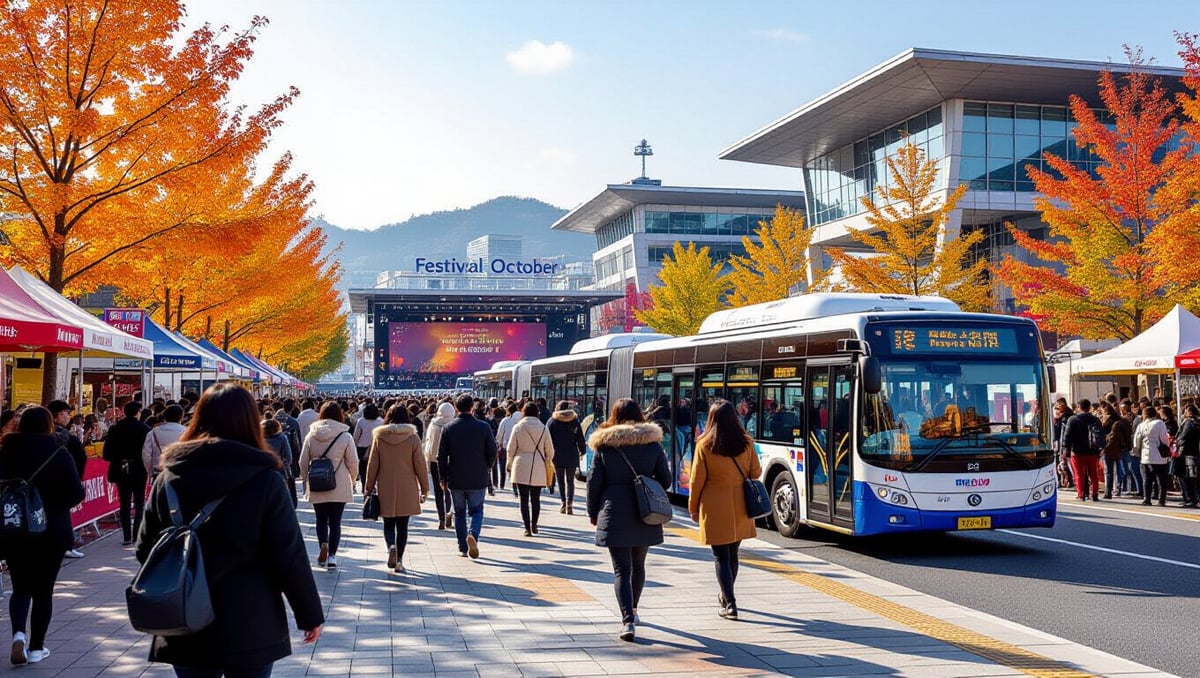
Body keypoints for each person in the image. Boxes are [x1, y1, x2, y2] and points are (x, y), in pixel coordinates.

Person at [134, 384, 323, 676]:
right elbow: (288, 555)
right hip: (251, 617)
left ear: (198, 418)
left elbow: (145, 548)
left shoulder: (169, 477)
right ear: (250, 421)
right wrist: (309, 614)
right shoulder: (266, 480)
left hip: (184, 617)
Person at [0, 406, 85, 666]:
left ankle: (18, 634)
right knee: (43, 590)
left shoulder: (6, 451)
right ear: (49, 424)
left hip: (14, 527)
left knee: (20, 587)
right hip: (52, 529)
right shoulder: (59, 452)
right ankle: (37, 647)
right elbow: (75, 493)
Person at [586, 398, 672, 642]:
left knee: (621, 570)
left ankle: (627, 621)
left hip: (614, 511)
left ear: (613, 415)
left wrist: (593, 512)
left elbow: (594, 483)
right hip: (646, 512)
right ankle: (633, 609)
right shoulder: (653, 444)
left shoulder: (605, 446)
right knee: (639, 564)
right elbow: (665, 480)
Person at [688, 399, 762, 621]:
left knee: (720, 556)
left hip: (714, 506)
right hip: (741, 505)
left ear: (711, 419)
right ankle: (727, 597)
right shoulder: (746, 442)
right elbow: (756, 473)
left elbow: (696, 481)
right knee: (732, 554)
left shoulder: (704, 445)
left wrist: (693, 508)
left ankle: (730, 603)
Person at [364, 405, 429, 573]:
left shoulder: (379, 437)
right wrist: (425, 488)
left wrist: (368, 488)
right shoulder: (412, 437)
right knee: (403, 526)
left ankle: (391, 546)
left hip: (385, 485)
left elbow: (372, 465)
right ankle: (399, 560)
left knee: (388, 523)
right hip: (407, 486)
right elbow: (420, 465)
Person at [437, 394, 498, 559]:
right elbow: (492, 451)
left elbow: (441, 456)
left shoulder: (449, 428)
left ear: (456, 408)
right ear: (472, 407)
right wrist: (487, 466)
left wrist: (442, 477)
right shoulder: (483, 427)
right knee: (477, 510)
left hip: (456, 476)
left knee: (459, 513)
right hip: (477, 475)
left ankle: (462, 547)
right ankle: (473, 534)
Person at [298, 402, 358, 568]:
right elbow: (353, 462)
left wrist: (306, 479)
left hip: (317, 482)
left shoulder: (312, 435)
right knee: (335, 522)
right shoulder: (345, 436)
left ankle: (323, 543)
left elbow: (303, 461)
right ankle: (332, 556)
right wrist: (352, 480)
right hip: (339, 483)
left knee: (321, 520)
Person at [103, 401, 151, 545]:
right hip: (139, 469)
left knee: (124, 502)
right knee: (139, 502)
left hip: (120, 468)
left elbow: (107, 454)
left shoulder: (115, 429)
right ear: (138, 413)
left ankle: (126, 536)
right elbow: (147, 452)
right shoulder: (145, 429)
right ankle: (137, 534)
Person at [507, 402, 553, 536]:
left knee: (523, 499)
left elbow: (510, 448)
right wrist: (547, 460)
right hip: (538, 464)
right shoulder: (543, 428)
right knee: (535, 498)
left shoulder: (518, 427)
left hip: (521, 464)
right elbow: (550, 450)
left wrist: (509, 464)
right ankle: (535, 525)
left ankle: (527, 527)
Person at [548, 400, 585, 515]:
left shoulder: (552, 421)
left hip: (557, 455)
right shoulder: (574, 421)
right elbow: (580, 437)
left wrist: (547, 453)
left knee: (560, 481)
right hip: (571, 454)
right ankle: (570, 504)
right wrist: (582, 450)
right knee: (570, 481)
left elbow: (547, 438)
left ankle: (563, 502)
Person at [423, 401, 456, 530]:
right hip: (450, 461)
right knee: (449, 490)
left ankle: (441, 518)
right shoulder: (454, 424)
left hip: (434, 461)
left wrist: (428, 459)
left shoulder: (434, 423)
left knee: (438, 491)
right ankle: (449, 514)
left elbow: (428, 442)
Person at [1132, 405, 1172, 507]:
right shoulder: (1159, 423)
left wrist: (1137, 451)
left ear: (1145, 415)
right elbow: (1164, 438)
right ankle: (1161, 500)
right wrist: (1166, 447)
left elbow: (1137, 440)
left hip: (1146, 455)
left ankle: (1147, 499)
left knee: (1147, 479)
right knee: (1161, 479)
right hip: (1159, 455)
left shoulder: (1141, 425)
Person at [1062, 399, 1102, 501]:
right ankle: (1095, 493)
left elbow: (1067, 436)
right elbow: (1101, 435)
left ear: (1079, 407)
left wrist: (1067, 448)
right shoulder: (1095, 420)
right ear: (1089, 407)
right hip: (1092, 450)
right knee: (1093, 473)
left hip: (1077, 450)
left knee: (1079, 473)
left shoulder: (1073, 419)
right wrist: (1100, 448)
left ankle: (1082, 493)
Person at [143, 404, 186, 483]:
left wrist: (150, 472)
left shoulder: (153, 432)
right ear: (181, 416)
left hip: (159, 472)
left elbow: (146, 455)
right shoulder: (187, 432)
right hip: (180, 472)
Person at [1099, 401, 1132, 499]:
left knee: (1109, 471)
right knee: (1120, 470)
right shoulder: (1122, 420)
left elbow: (1106, 435)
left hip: (1110, 448)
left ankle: (1109, 491)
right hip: (1121, 447)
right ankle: (1119, 488)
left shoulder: (1109, 421)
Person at [351, 403, 384, 489]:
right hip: (377, 447)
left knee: (363, 470)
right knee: (376, 468)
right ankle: (373, 486)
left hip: (362, 448)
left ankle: (364, 486)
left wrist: (354, 447)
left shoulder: (361, 421)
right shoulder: (381, 421)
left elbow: (356, 436)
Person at [262, 418, 295, 501]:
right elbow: (288, 457)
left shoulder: (260, 439)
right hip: (280, 470)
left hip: (264, 470)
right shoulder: (282, 438)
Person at [1173, 404, 1199, 508]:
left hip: (1185, 452)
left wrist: (1176, 442)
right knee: (1191, 476)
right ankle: (1192, 498)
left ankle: (1190, 498)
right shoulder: (1196, 422)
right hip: (1193, 451)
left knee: (1186, 476)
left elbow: (1183, 437)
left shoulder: (1189, 422)